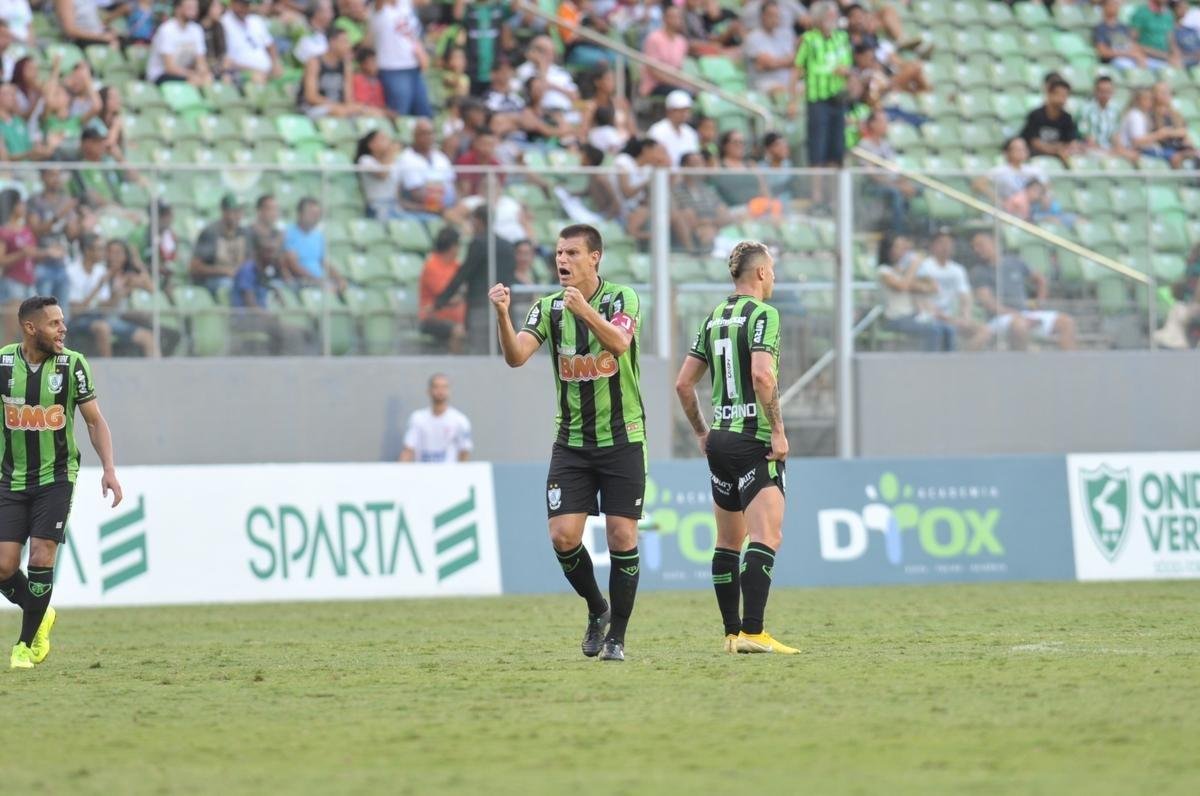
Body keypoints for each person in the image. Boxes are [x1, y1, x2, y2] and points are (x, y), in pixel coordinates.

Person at [488, 223, 645, 662]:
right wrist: (502, 315)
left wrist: (586, 312)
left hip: (622, 438)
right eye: (559, 253)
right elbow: (516, 357)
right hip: (572, 442)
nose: (562, 260)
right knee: (562, 536)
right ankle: (597, 608)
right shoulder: (548, 308)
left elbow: (619, 343)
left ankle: (617, 637)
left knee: (621, 535)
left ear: (595, 257)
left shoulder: (623, 298)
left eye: (572, 253)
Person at [673, 240, 798, 655]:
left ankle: (731, 633)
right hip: (753, 439)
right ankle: (754, 633)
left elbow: (683, 384)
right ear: (761, 272)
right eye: (772, 269)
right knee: (767, 536)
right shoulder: (765, 314)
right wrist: (778, 430)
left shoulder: (714, 317)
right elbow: (762, 376)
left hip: (721, 439)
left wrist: (701, 432)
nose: (773, 277)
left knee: (728, 541)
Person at [0, 295, 123, 670]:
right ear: (30, 327)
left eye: (62, 322)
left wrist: (109, 468)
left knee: (41, 555)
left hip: (56, 477)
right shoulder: (3, 363)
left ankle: (24, 646)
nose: (63, 329)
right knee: (3, 566)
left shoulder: (73, 365)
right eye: (54, 323)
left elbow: (94, 421)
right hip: (9, 479)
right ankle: (40, 611)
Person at [969, 231, 1077, 351]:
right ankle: (1023, 360)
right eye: (974, 247)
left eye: (980, 245)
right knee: (1019, 325)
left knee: (1066, 322)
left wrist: (1039, 303)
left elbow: (1041, 280)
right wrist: (1017, 315)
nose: (977, 250)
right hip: (999, 318)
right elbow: (990, 304)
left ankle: (1069, 361)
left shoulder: (1015, 262)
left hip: (1025, 313)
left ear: (994, 243)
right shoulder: (978, 272)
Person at [791, 1, 852, 207]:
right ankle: (816, 196)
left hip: (837, 99)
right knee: (817, 149)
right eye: (829, 16)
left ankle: (833, 198)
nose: (832, 20)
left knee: (836, 149)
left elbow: (847, 64)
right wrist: (792, 100)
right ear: (819, 19)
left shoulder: (841, 38)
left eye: (834, 16)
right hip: (817, 100)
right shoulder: (809, 40)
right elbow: (797, 69)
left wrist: (845, 72)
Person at [435, 205, 515, 353]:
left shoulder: (478, 243)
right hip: (505, 306)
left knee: (480, 350)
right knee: (504, 349)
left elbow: (464, 274)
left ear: (478, 221)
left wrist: (441, 301)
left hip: (480, 306)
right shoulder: (508, 245)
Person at [876, 233, 955, 352]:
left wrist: (919, 276)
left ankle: (949, 361)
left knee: (948, 330)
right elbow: (902, 286)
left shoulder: (903, 271)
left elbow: (933, 288)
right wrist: (913, 266)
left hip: (913, 316)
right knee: (934, 330)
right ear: (889, 250)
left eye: (904, 247)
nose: (903, 251)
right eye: (899, 247)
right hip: (895, 318)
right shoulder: (884, 271)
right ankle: (930, 361)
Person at [918, 230, 989, 350]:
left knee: (984, 331)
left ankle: (963, 357)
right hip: (928, 317)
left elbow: (965, 296)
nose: (946, 247)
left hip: (951, 318)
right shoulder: (924, 266)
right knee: (943, 329)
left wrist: (965, 316)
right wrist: (939, 315)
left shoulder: (957, 269)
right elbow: (920, 297)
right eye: (942, 243)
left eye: (949, 243)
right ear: (933, 246)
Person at [28, 169, 80, 314]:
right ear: (43, 177)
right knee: (43, 314)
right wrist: (60, 214)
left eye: (58, 175)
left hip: (62, 264)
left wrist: (78, 223)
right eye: (52, 175)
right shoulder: (35, 201)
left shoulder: (65, 200)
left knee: (63, 315)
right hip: (42, 264)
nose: (56, 179)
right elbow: (35, 231)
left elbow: (72, 235)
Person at [372, 0, 431, 117]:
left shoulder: (404, 4)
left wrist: (421, 51)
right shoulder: (379, 8)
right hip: (393, 68)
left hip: (414, 66)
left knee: (424, 112)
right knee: (399, 113)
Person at [399, 374, 473, 462]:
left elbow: (464, 452)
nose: (440, 391)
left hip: (448, 470)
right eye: (436, 387)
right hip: (423, 470)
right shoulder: (417, 418)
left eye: (444, 387)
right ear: (428, 391)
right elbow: (408, 450)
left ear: (449, 391)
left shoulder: (460, 420)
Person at [418, 226, 467, 353]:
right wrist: (461, 295)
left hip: (457, 318)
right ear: (453, 247)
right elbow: (446, 297)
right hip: (432, 318)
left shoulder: (456, 265)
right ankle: (455, 361)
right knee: (458, 331)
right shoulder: (432, 266)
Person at [284, 197, 346, 290]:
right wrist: (318, 281)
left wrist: (339, 278)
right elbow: (293, 265)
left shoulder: (318, 235)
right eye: (311, 214)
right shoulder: (288, 233)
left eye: (318, 214)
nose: (316, 218)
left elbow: (324, 262)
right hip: (302, 282)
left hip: (319, 281)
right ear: (300, 214)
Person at [1020, 77, 1084, 167]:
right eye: (1059, 94)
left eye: (1065, 95)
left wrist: (1066, 148)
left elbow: (1072, 141)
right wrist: (1056, 150)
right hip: (1035, 156)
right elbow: (1034, 142)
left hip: (1060, 155)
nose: (1062, 99)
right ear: (1049, 94)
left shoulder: (1067, 118)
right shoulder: (1035, 115)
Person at [147, 0, 212, 85]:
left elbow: (201, 61)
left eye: (195, 7)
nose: (194, 10)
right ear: (178, 9)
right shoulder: (167, 30)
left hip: (185, 74)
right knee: (193, 82)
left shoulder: (197, 30)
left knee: (209, 79)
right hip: (161, 75)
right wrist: (192, 75)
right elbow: (169, 67)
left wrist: (205, 74)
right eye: (189, 7)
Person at [744, 0, 797, 102]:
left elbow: (797, 59)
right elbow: (766, 64)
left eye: (777, 15)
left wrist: (777, 61)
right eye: (771, 15)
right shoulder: (753, 37)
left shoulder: (785, 35)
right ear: (762, 16)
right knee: (780, 90)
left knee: (810, 86)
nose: (774, 19)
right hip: (763, 84)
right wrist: (788, 61)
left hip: (787, 81)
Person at [221, 0, 283, 84]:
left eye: (247, 4)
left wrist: (275, 63)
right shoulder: (224, 23)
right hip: (242, 73)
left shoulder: (255, 20)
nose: (244, 8)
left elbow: (270, 45)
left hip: (266, 71)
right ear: (233, 3)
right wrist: (254, 70)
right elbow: (226, 60)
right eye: (241, 4)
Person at [639, 3, 690, 96]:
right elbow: (654, 71)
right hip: (655, 85)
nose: (677, 20)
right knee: (684, 93)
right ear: (664, 18)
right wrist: (676, 82)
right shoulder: (654, 38)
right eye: (673, 17)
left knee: (695, 91)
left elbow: (679, 68)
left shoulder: (682, 41)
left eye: (679, 17)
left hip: (674, 84)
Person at [647, 90, 699, 168]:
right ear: (669, 111)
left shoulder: (691, 133)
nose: (684, 114)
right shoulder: (657, 130)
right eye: (680, 111)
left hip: (686, 174)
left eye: (686, 110)